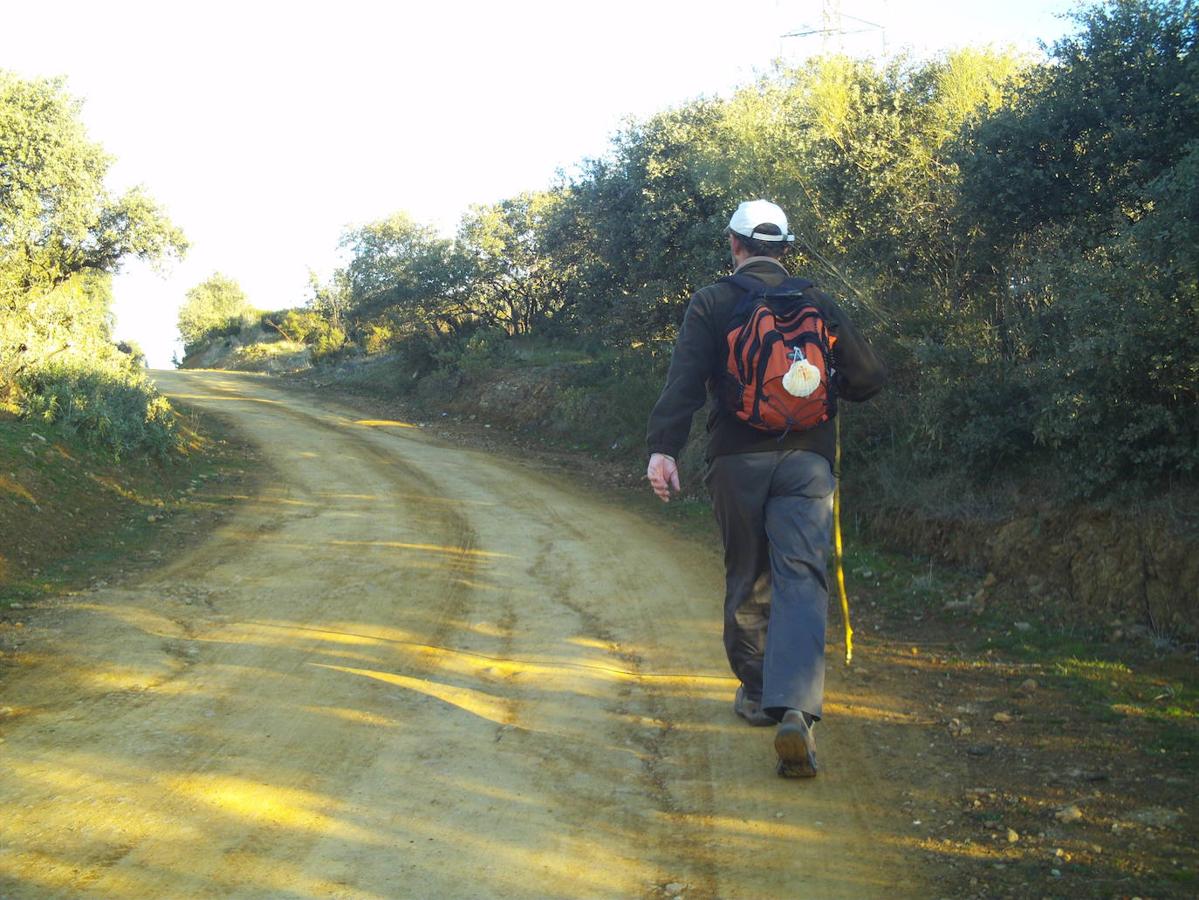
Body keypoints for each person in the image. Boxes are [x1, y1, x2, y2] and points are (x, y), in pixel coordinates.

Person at [645, 199, 885, 777]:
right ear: (784, 248)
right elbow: (870, 378)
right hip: (809, 460)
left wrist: (663, 450)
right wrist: (821, 392)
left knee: (748, 574)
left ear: (735, 245)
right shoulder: (816, 301)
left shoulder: (712, 302)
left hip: (736, 460)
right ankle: (797, 708)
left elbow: (684, 382)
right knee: (802, 577)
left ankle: (758, 695)